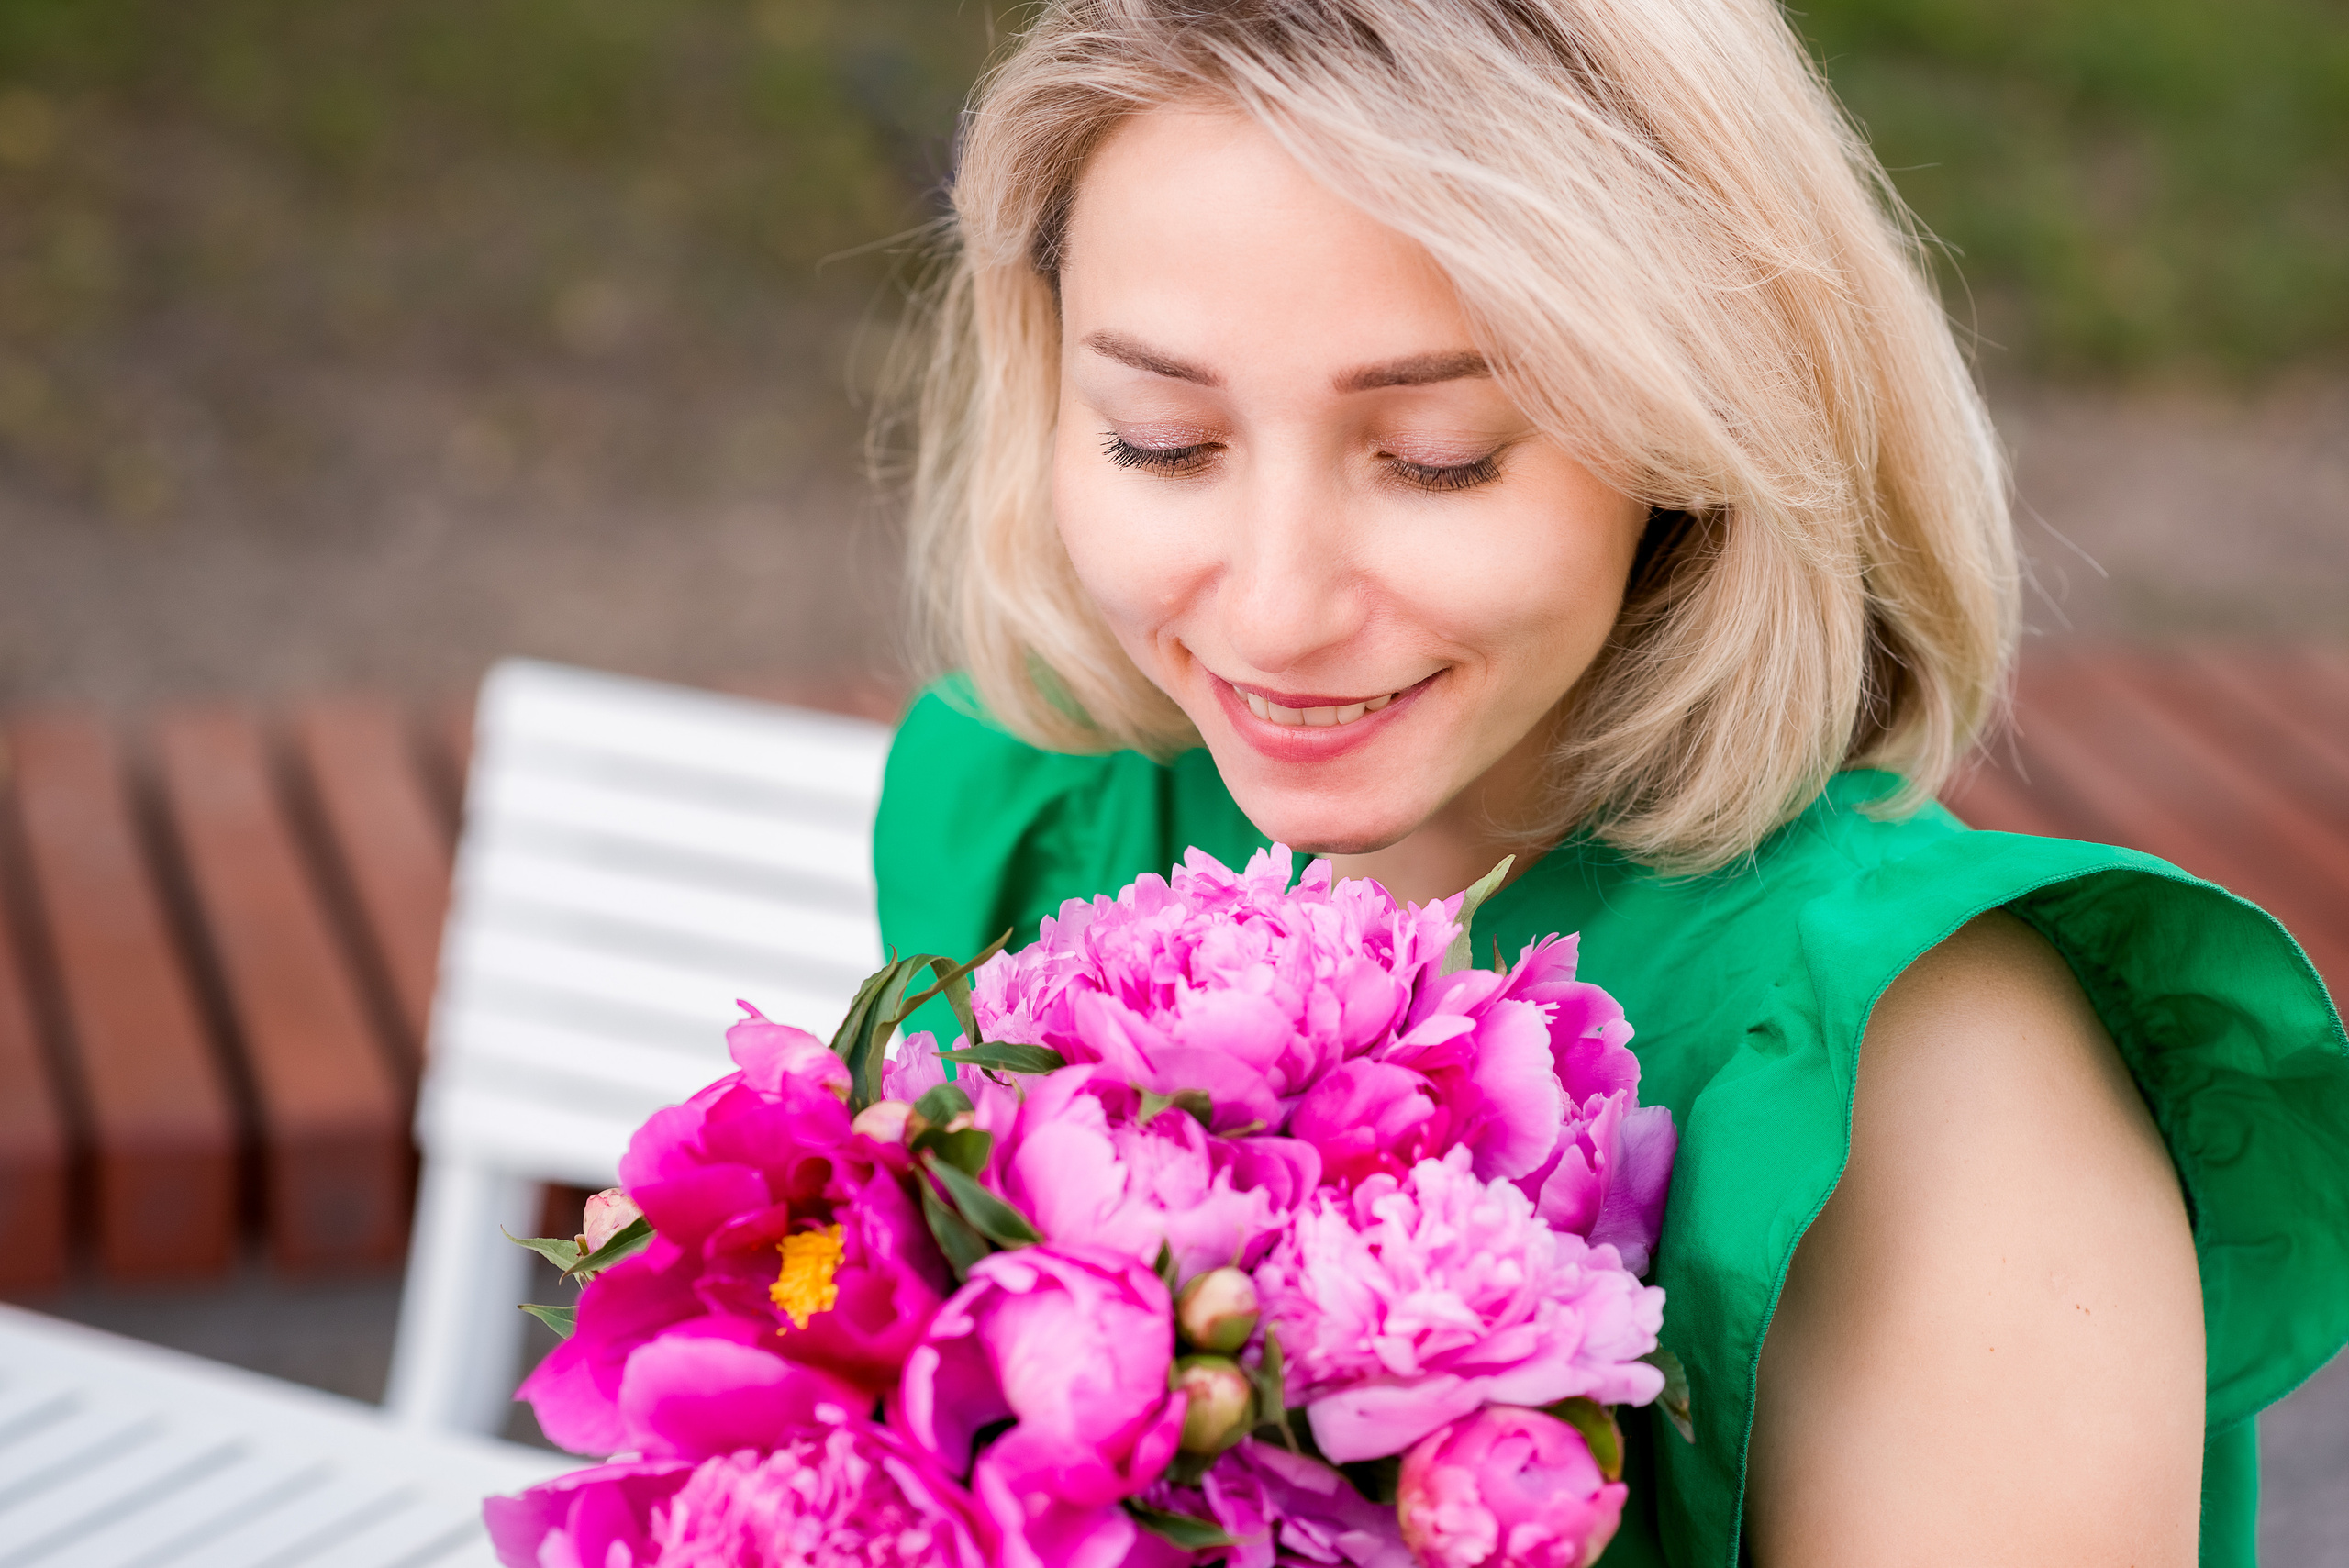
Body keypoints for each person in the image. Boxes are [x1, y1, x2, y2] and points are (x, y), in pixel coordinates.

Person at [868, 2, 2349, 1563]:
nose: (1272, 611)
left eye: (1438, 456)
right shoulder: (1035, 822)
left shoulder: (1931, 1088)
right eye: (1162, 442)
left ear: (1692, 429)